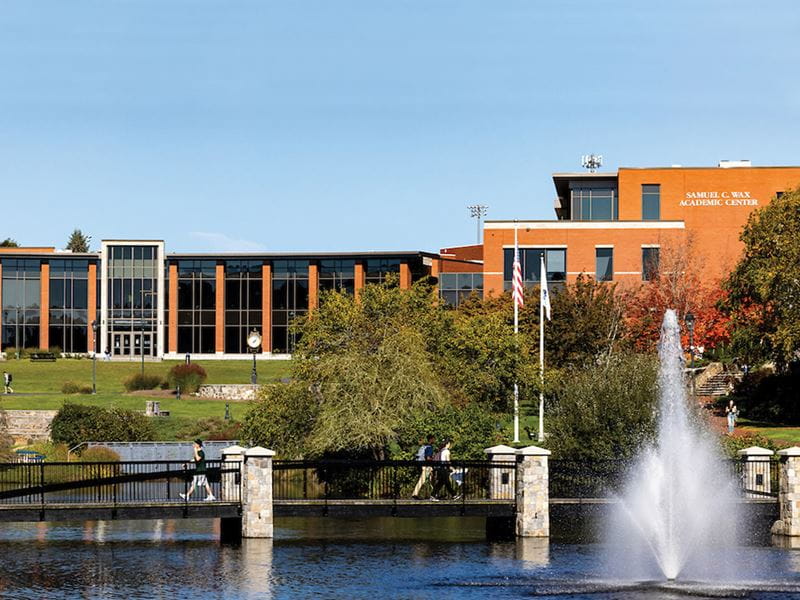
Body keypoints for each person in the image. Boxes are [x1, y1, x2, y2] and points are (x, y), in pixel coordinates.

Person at [412, 435, 436, 499]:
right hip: (426, 466)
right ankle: (415, 493)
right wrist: (433, 459)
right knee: (422, 480)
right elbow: (428, 458)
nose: (435, 440)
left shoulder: (424, 446)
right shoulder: (429, 447)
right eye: (434, 439)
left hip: (421, 464)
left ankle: (435, 493)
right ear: (431, 439)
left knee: (431, 480)